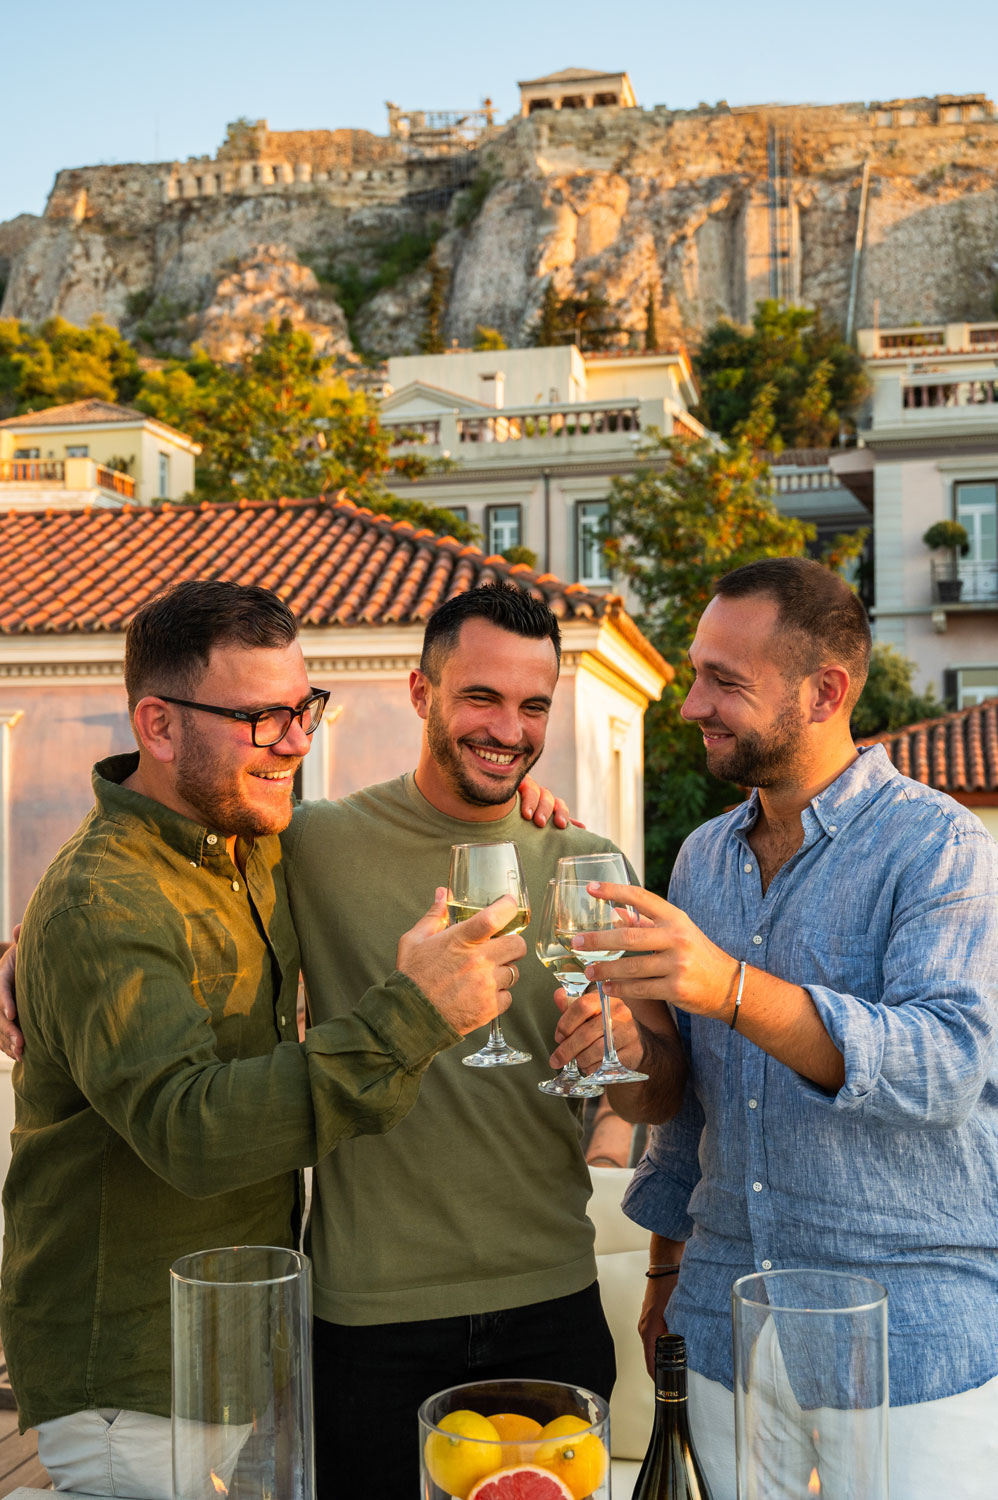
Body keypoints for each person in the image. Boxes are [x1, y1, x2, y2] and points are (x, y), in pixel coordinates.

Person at [0, 579, 528, 1500]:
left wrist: (514, 799)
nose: (295, 741)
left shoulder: (246, 841)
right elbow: (193, 1134)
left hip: (242, 1353)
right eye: (260, 718)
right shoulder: (101, 900)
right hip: (137, 1385)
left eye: (302, 707)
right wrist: (415, 1011)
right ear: (159, 726)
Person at [564, 557, 998, 1500]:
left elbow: (945, 1066)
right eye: (696, 674)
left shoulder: (942, 845)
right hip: (724, 1329)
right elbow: (685, 1110)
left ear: (825, 693)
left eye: (725, 682)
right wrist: (632, 1057)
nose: (692, 706)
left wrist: (729, 987)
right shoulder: (701, 858)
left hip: (908, 1340)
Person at [281, 582, 635, 1500]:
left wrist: (631, 1040)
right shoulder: (313, 844)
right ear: (420, 692)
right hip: (369, 1314)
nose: (508, 731)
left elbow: (650, 1081)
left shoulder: (584, 861)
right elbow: (176, 892)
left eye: (533, 706)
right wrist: (18, 955)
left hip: (552, 1302)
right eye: (481, 697)